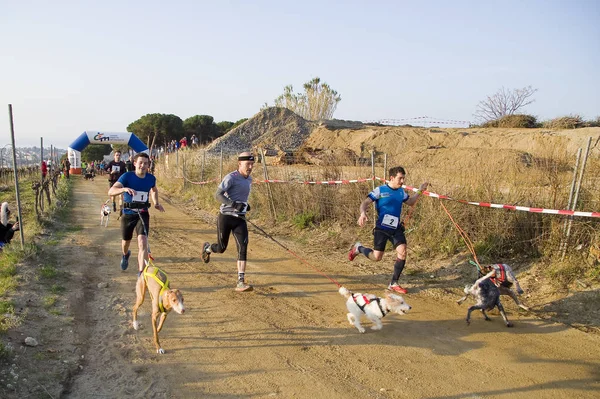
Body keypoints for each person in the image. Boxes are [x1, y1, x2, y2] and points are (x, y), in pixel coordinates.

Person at [348, 166, 429, 294]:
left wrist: (420, 190)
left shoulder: (401, 192)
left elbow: (411, 202)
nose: (402, 181)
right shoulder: (380, 190)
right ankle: (359, 248)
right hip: (382, 228)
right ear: (392, 178)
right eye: (400, 178)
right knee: (376, 257)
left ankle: (394, 283)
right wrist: (362, 213)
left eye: (403, 178)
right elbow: (365, 202)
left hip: (396, 228)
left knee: (402, 251)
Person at [201, 151, 255, 292]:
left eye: (252, 164)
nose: (250, 167)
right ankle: (207, 248)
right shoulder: (231, 177)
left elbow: (242, 197)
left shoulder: (249, 179)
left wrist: (245, 205)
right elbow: (217, 195)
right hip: (226, 217)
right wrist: (232, 204)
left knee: (242, 248)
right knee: (221, 248)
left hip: (240, 219)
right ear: (239, 164)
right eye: (247, 164)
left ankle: (240, 281)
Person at [108, 152, 165, 274]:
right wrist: (124, 189)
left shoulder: (151, 178)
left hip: (143, 213)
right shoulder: (127, 177)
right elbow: (111, 191)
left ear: (148, 165)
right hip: (128, 214)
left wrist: (156, 203)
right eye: (140, 163)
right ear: (135, 164)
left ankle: (141, 273)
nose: (143, 166)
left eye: (145, 163)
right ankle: (125, 254)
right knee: (125, 242)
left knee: (142, 243)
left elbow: (154, 190)